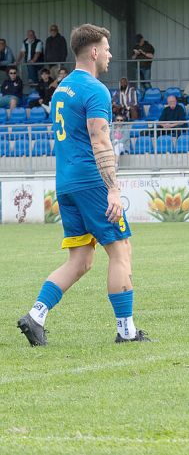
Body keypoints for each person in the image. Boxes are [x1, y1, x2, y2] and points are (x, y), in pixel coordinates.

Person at [17, 23, 150, 346]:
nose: (109, 54)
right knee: (120, 251)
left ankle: (35, 316)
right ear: (93, 51)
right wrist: (113, 189)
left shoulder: (62, 88)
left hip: (66, 183)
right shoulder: (95, 90)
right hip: (91, 183)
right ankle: (126, 331)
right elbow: (100, 140)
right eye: (106, 48)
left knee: (80, 260)